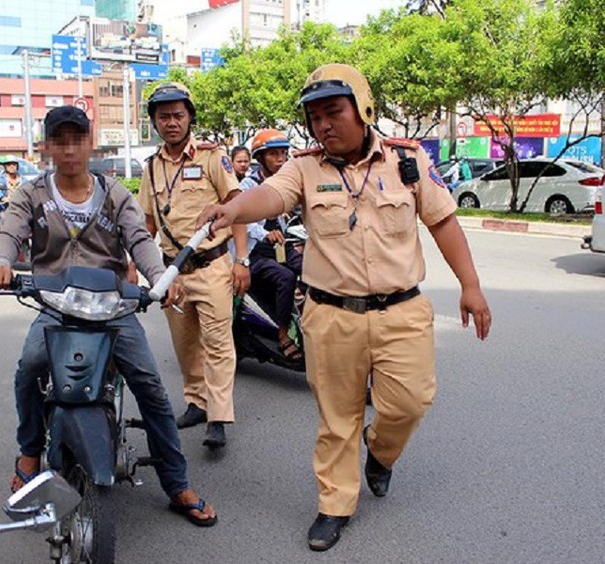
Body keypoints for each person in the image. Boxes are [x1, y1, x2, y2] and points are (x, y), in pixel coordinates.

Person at [197, 64, 492, 551]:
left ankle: (381, 452)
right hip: (330, 315)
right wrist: (233, 210)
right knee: (338, 419)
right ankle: (334, 504)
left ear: (363, 107)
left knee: (410, 402)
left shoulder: (408, 160)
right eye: (314, 118)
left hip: (402, 312)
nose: (323, 126)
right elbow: (270, 195)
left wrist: (471, 286)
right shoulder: (304, 167)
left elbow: (442, 223)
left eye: (333, 112)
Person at [0, 105, 218, 526]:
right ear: (48, 147)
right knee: (29, 369)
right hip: (55, 307)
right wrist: (0, 260)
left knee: (151, 388)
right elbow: (8, 233)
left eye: (78, 139)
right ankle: (30, 449)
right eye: (61, 141)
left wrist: (162, 277)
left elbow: (140, 240)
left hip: (112, 309)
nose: (70, 149)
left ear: (90, 144)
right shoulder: (31, 194)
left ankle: (175, 481)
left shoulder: (114, 194)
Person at [136, 83, 250, 449]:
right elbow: (148, 223)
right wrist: (130, 262)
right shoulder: (152, 168)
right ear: (154, 122)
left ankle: (218, 416)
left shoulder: (212, 158)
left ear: (190, 118)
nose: (171, 123)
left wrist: (242, 260)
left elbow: (238, 207)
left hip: (213, 266)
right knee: (186, 346)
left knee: (218, 343)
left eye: (178, 115)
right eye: (163, 116)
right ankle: (197, 403)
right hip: (173, 274)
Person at [240, 128, 303, 363]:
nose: (280, 160)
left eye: (283, 154)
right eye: (274, 154)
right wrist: (266, 234)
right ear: (260, 159)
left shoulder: (287, 183)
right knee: (285, 277)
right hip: (253, 251)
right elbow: (242, 221)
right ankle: (284, 334)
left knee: (314, 270)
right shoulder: (248, 185)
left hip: (280, 246)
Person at [0, 155, 22, 228]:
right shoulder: (1, 179)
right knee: (5, 225)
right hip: (7, 208)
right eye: (9, 164)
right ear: (5, 167)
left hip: (21, 209)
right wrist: (5, 199)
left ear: (17, 166)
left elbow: (29, 191)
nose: (12, 166)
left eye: (14, 164)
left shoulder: (23, 179)